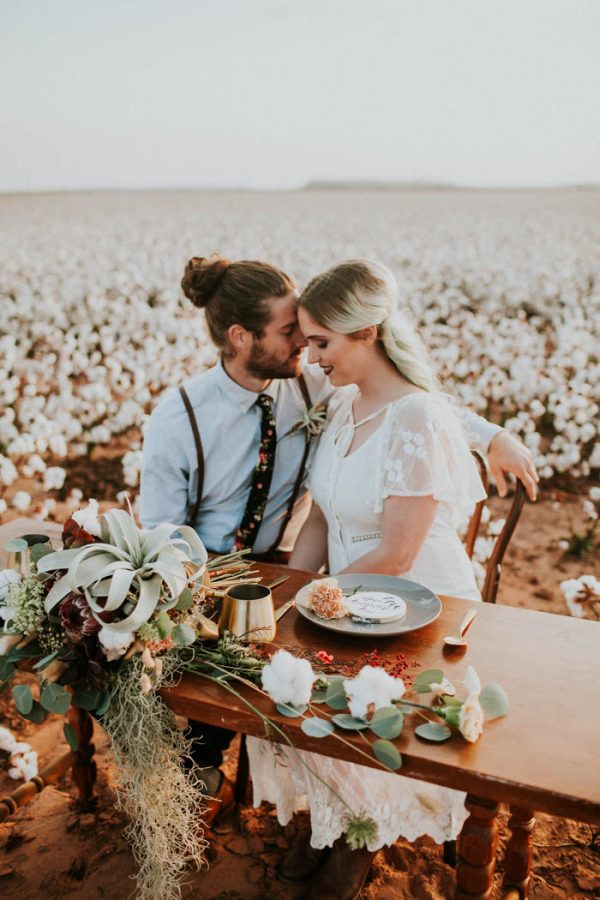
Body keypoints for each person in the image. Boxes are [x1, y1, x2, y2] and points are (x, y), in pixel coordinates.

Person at [139, 254, 538, 829]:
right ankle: (202, 764)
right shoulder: (180, 417)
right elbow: (161, 531)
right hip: (213, 564)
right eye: (290, 333)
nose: (304, 344)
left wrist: (491, 435)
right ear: (239, 337)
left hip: (294, 561)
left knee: (298, 650)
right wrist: (203, 588)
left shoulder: (312, 383)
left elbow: (409, 402)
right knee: (231, 642)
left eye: (312, 336)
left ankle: (349, 805)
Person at [244, 259, 521, 898]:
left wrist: (316, 596)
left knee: (344, 687)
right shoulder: (343, 406)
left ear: (365, 331)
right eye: (308, 343)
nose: (311, 360)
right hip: (343, 589)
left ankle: (359, 834)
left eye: (321, 343)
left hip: (412, 602)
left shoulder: (415, 417)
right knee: (277, 662)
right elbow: (319, 513)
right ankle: (333, 811)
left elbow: (398, 555)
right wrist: (291, 585)